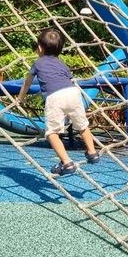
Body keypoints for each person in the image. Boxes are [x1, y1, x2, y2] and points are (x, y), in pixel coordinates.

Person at [17, 27, 100, 176]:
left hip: (54, 97)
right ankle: (92, 152)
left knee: (52, 133)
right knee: (82, 125)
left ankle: (67, 162)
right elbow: (66, 79)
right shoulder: (62, 63)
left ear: (40, 48)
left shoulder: (37, 63)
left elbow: (27, 83)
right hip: (73, 93)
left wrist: (20, 98)